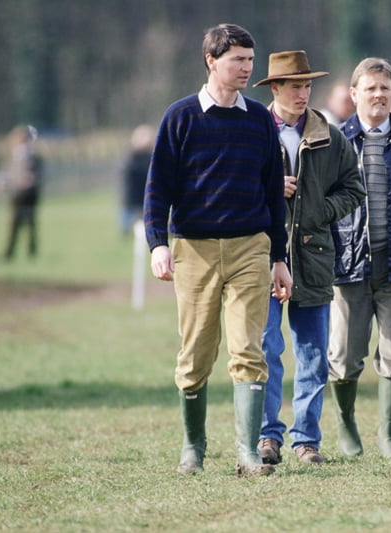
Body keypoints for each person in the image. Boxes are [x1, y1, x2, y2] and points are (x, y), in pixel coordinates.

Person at [144, 23, 292, 477]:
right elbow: (158, 188)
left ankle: (247, 452)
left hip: (251, 246)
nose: (247, 68)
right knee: (195, 355)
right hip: (195, 250)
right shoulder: (181, 117)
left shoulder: (258, 120)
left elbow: (272, 193)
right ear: (211, 61)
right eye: (238, 60)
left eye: (250, 60)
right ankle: (194, 447)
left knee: (249, 349)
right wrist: (158, 244)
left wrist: (279, 257)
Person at [252, 51, 365, 465]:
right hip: (262, 257)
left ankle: (306, 440)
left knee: (314, 354)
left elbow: (354, 190)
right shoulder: (252, 130)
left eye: (307, 85)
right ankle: (267, 438)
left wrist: (316, 208)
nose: (303, 93)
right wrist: (266, 190)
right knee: (266, 350)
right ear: (275, 88)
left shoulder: (330, 135)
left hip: (315, 259)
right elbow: (231, 187)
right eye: (294, 86)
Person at [328, 57, 391, 460]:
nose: (378, 94)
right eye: (370, 88)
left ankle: (388, 435)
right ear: (353, 95)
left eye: (384, 87)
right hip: (348, 265)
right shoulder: (334, 142)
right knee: (345, 357)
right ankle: (346, 426)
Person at [0, 125, 44, 261]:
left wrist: (30, 179)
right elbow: (6, 173)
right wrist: (0, 183)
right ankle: (9, 253)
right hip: (16, 195)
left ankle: (32, 252)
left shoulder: (33, 156)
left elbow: (37, 174)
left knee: (31, 224)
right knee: (13, 224)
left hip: (29, 195)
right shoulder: (14, 155)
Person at [120, 124, 155, 236]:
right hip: (131, 200)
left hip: (144, 198)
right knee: (127, 231)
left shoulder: (149, 156)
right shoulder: (130, 157)